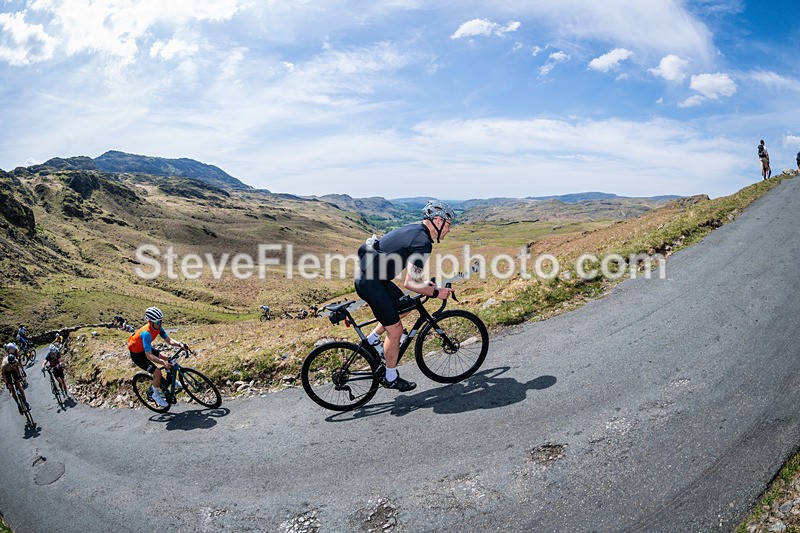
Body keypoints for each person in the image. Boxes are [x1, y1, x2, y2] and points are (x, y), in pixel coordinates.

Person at [354, 199, 455, 392]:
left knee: (405, 305)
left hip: (374, 279)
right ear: (438, 221)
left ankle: (371, 340)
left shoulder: (415, 231)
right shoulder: (423, 242)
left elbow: (413, 279)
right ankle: (390, 377)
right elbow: (409, 282)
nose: (449, 230)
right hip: (372, 284)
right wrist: (436, 292)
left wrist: (425, 285)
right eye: (448, 225)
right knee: (396, 331)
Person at [127, 307, 189, 407]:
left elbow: (169, 341)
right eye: (158, 322)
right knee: (157, 372)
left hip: (144, 349)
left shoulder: (158, 327)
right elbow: (149, 356)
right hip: (137, 355)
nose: (160, 324)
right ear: (151, 322)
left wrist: (180, 344)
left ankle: (172, 381)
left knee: (167, 357)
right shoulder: (146, 333)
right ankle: (156, 395)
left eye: (161, 321)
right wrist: (163, 363)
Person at [2, 345, 30, 414]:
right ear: (9, 363)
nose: (14, 365)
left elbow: (20, 365)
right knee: (12, 388)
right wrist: (7, 383)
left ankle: (25, 402)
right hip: (7, 373)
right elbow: (3, 374)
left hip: (13, 371)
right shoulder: (4, 365)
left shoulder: (15, 361)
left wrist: (23, 372)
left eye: (14, 364)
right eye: (12, 365)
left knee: (19, 385)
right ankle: (18, 404)